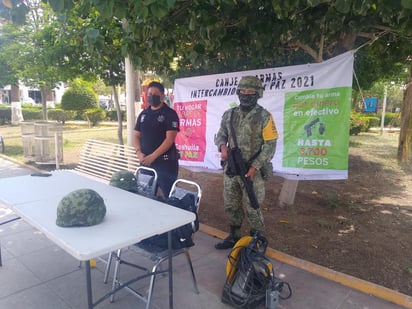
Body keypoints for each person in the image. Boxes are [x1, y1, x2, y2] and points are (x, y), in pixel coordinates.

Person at [214, 76, 278, 249]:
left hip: (253, 171)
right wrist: (222, 146)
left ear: (257, 94)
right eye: (242, 91)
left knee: (253, 206)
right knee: (231, 204)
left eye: (250, 92)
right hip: (232, 168)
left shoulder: (264, 116)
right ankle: (234, 236)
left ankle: (256, 240)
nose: (246, 95)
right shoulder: (230, 114)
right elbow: (220, 134)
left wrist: (255, 166)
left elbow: (270, 145)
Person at [133, 81, 180, 197]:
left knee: (170, 197)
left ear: (162, 96)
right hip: (145, 163)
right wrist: (139, 153)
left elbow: (170, 139)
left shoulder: (170, 114)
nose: (152, 96)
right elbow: (136, 135)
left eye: (155, 94)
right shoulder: (143, 114)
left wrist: (152, 157)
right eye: (149, 94)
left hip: (165, 163)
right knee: (144, 195)